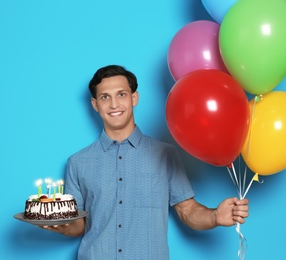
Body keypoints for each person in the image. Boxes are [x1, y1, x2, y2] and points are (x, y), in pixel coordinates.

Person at [42, 65, 249, 259]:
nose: (114, 104)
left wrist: (215, 216)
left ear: (134, 98)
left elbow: (188, 211)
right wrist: (64, 227)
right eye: (105, 97)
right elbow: (78, 224)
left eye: (121, 94)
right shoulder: (78, 162)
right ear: (95, 104)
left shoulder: (165, 154)